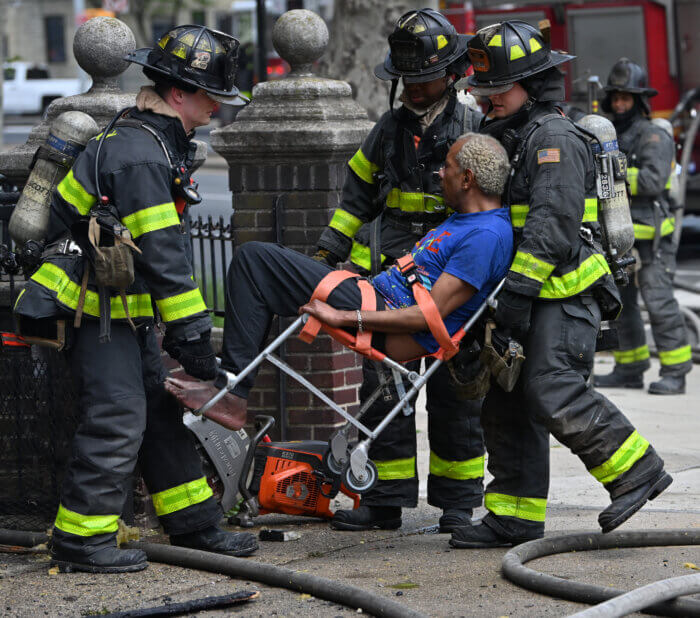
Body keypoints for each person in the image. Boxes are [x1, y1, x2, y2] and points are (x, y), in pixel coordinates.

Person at [14, 25, 258, 573]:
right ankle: (81, 542)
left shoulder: (146, 141)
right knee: (118, 416)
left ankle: (195, 524)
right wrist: (193, 336)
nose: (216, 107)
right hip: (91, 311)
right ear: (178, 93)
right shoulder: (141, 156)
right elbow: (165, 257)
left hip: (118, 310)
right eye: (209, 95)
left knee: (156, 410)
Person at [165, 135, 514, 507]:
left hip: (380, 316)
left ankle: (232, 393)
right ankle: (230, 386)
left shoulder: (486, 236)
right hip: (372, 296)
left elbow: (427, 317)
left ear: (468, 179)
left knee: (253, 261)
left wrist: (342, 315)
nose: (438, 172)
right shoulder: (466, 222)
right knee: (260, 269)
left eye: (448, 167)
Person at [449, 21, 673, 549]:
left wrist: (518, 297)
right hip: (526, 296)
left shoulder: (553, 138)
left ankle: (636, 470)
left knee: (550, 386)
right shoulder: (512, 134)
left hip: (565, 294)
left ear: (532, 83)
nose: (487, 99)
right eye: (484, 90)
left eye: (498, 89)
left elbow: (551, 226)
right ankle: (513, 516)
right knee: (507, 399)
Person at [312, 8, 487, 533]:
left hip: (449, 281)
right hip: (390, 281)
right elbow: (356, 199)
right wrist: (328, 251)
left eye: (424, 77)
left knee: (457, 394)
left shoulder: (474, 129)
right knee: (383, 391)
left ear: (452, 75)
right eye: (406, 78)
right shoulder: (387, 130)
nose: (413, 87)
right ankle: (384, 499)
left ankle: (457, 507)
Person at [593, 58, 691, 395]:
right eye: (616, 98)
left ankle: (676, 371)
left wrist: (613, 174)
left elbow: (651, 181)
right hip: (619, 236)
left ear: (639, 100)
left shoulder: (653, 135)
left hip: (652, 240)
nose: (620, 104)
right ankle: (630, 368)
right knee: (623, 304)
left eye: (626, 98)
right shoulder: (607, 135)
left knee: (659, 303)